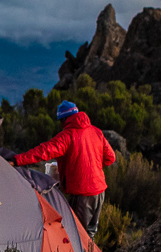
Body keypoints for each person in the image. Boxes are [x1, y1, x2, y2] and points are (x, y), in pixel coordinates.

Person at [14, 100, 114, 235]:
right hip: (100, 191)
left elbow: (43, 151)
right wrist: (91, 166)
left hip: (82, 194)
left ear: (64, 119)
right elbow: (110, 158)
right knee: (91, 233)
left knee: (78, 235)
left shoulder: (67, 136)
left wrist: (17, 160)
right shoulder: (96, 132)